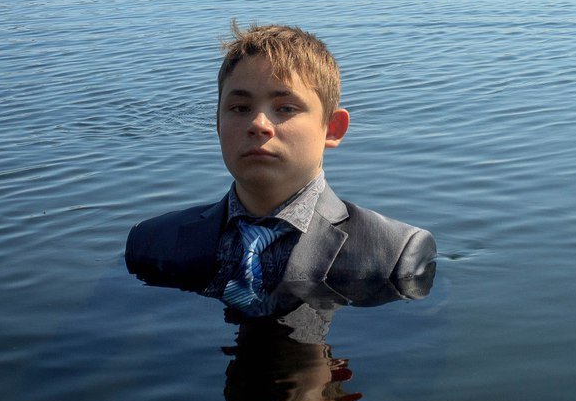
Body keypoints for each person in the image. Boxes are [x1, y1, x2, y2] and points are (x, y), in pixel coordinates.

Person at [125, 23, 436, 312]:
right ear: (218, 124)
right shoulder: (151, 244)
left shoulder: (394, 256)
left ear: (332, 128)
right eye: (240, 108)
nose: (258, 124)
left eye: (285, 108)